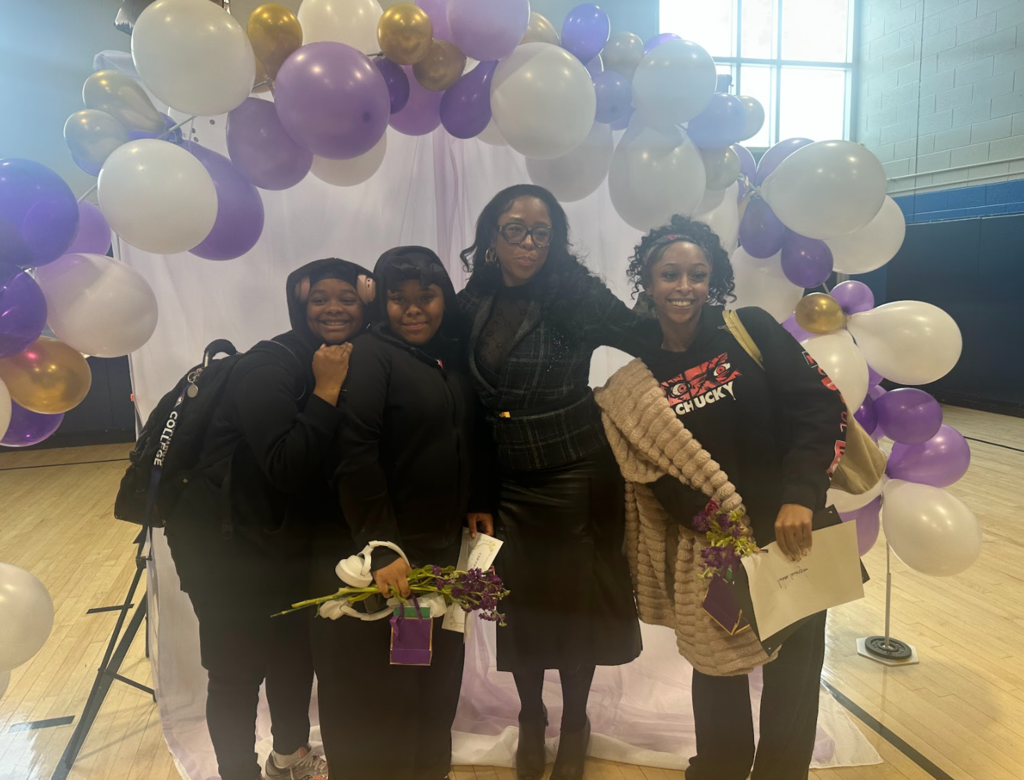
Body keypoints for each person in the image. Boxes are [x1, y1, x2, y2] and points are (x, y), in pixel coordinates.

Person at [602, 215, 848, 780]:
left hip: (791, 531)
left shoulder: (747, 329)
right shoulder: (644, 372)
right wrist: (707, 521)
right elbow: (649, 466)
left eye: (697, 274)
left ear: (712, 279)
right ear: (648, 282)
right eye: (669, 274)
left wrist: (800, 497)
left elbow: (818, 407)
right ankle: (719, 768)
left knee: (795, 670)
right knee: (716, 665)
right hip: (712, 542)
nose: (684, 286)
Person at [458, 184, 646, 780]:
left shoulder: (577, 293)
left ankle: (576, 723)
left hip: (574, 470)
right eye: (515, 229)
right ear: (492, 236)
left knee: (573, 607)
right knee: (521, 607)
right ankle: (532, 716)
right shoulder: (474, 298)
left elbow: (646, 339)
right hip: (506, 478)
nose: (529, 244)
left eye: (542, 233)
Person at [165, 258, 373, 780]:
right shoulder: (269, 366)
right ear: (298, 304)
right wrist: (326, 389)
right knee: (236, 671)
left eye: (347, 297)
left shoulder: (346, 356)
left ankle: (289, 758)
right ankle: (238, 773)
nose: (333, 308)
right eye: (319, 298)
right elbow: (286, 466)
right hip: (222, 547)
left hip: (280, 541)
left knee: (292, 656)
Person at [314, 246, 493, 780]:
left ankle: (427, 769)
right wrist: (382, 545)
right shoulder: (373, 355)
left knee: (429, 676)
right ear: (382, 303)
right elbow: (355, 453)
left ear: (444, 299)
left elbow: (467, 437)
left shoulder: (448, 356)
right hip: (396, 559)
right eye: (398, 298)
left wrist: (478, 498)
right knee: (390, 683)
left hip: (440, 553)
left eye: (426, 297)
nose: (413, 310)